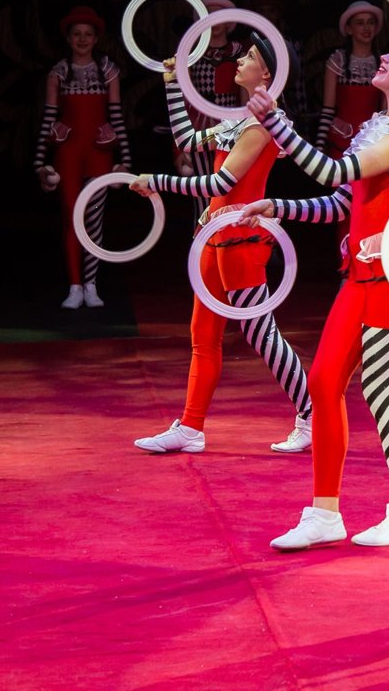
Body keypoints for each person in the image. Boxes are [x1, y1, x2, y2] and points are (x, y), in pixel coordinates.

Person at [238, 26, 389, 551]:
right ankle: (324, 513)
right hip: (360, 273)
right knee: (322, 382)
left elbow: (332, 170)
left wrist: (275, 121)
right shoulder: (377, 127)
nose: (385, 55)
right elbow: (340, 201)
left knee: (381, 393)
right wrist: (278, 207)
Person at [127, 35, 312, 455]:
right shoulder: (239, 118)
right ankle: (191, 427)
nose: (239, 59)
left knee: (261, 335)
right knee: (203, 335)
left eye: (249, 56)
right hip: (213, 235)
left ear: (267, 73)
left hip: (242, 237)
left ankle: (311, 413)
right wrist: (172, 83)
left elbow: (221, 182)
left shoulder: (265, 123)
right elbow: (187, 139)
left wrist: (157, 181)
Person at [33, 6, 131, 309]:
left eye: (88, 34)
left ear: (96, 38)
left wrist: (125, 160)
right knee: (71, 218)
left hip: (99, 153)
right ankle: (74, 286)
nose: (83, 39)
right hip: (68, 154)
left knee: (94, 220)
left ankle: (91, 284)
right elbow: (49, 118)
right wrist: (39, 162)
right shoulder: (58, 73)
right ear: (68, 38)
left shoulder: (108, 71)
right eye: (77, 34)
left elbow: (117, 117)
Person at [179, 0, 247, 225]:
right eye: (208, 16)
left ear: (228, 22)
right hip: (199, 128)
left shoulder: (239, 53)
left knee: (228, 191)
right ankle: (200, 241)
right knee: (201, 193)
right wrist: (179, 149)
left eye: (219, 16)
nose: (214, 21)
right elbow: (184, 100)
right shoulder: (192, 54)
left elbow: (245, 97)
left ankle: (224, 239)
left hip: (230, 128)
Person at [315, 1, 385, 155]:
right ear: (349, 29)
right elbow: (327, 110)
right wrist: (319, 148)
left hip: (372, 140)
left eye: (370, 22)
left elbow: (386, 111)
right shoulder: (337, 60)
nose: (366, 28)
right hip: (341, 139)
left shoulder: (384, 62)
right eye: (360, 23)